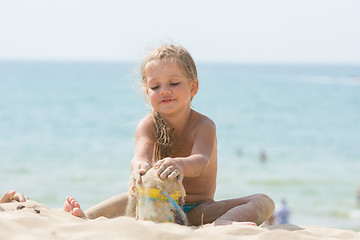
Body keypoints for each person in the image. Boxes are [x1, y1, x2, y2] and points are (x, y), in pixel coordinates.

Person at [64, 44, 275, 226]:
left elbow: (201, 161)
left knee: (263, 201)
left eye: (174, 83)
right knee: (127, 199)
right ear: (148, 93)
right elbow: (141, 157)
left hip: (197, 210)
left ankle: (223, 223)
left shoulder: (204, 125)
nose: (164, 90)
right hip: (155, 204)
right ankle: (86, 217)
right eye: (155, 86)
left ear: (193, 87)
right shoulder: (147, 126)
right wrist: (139, 168)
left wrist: (180, 164)